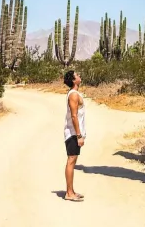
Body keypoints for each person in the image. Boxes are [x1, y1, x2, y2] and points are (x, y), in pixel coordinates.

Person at [63, 70, 86, 202]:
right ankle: (69, 193)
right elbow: (73, 116)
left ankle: (71, 191)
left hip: (74, 133)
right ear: (73, 80)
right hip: (72, 134)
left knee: (73, 160)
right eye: (77, 75)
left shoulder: (75, 94)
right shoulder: (73, 95)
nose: (79, 76)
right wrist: (78, 135)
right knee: (71, 161)